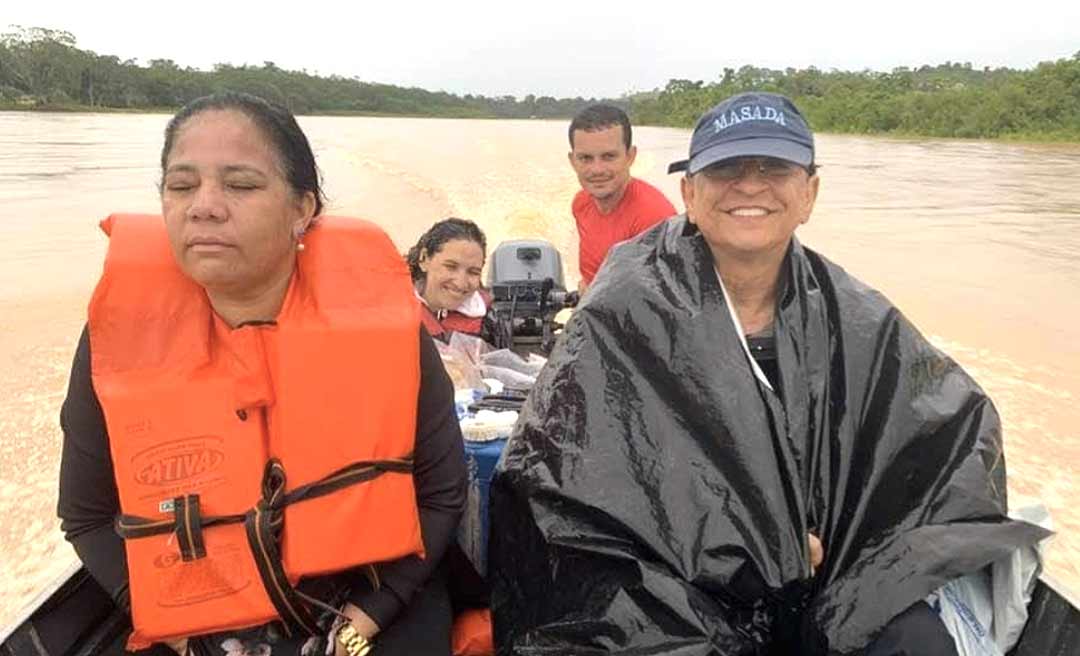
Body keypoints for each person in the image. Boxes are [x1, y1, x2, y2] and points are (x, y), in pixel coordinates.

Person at [490, 92, 1048, 654]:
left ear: (809, 194)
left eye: (774, 168)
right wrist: (747, 545)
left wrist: (842, 541)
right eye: (726, 169)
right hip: (671, 577)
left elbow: (956, 432)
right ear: (690, 194)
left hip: (824, 578)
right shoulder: (623, 308)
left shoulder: (855, 317)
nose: (750, 186)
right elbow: (564, 477)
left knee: (918, 641)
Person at [57, 92, 466, 656]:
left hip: (374, 602)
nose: (203, 206)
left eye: (241, 185)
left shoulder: (388, 330)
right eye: (181, 186)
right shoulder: (118, 340)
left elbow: (441, 493)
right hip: (201, 626)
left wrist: (361, 625)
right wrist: (180, 633)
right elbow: (86, 517)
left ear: (302, 208)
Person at [567, 104, 676, 294]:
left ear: (630, 156)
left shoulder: (653, 218)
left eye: (609, 157)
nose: (597, 170)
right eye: (585, 158)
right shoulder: (581, 203)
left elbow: (662, 298)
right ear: (572, 161)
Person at [406, 218, 493, 343]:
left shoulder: (490, 323)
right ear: (424, 259)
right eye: (451, 267)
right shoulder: (390, 313)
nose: (461, 283)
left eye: (473, 272)